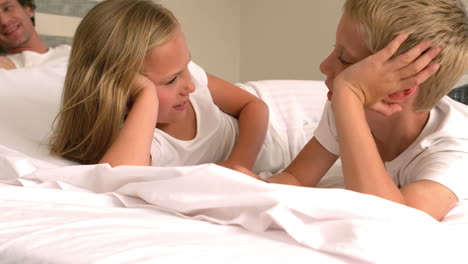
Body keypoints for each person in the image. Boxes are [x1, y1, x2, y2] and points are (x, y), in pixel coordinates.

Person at [237, 0, 468, 221]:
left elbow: (390, 220)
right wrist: (256, 189)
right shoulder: (346, 98)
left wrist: (348, 95)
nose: (324, 66)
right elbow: (297, 176)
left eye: (345, 60)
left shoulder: (455, 150)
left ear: (399, 89)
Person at [50, 0, 289, 174]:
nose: (191, 86)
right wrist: (146, 97)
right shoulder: (146, 143)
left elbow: (253, 105)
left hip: (283, 125)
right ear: (121, 92)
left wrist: (239, 165)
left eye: (187, 66)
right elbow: (116, 178)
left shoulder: (187, 78)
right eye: (171, 80)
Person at [0, 0, 70, 69]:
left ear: (29, 10)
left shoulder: (70, 52)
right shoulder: (4, 69)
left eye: (8, 8)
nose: (4, 21)